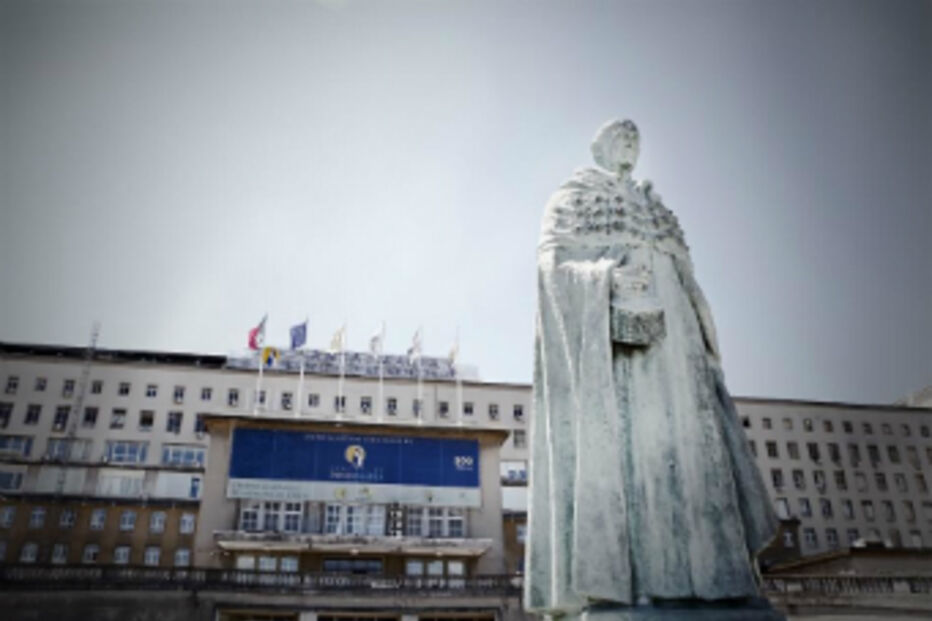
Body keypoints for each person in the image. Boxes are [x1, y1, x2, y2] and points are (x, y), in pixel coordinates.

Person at [525, 120, 778, 615]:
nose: (630, 144)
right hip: (621, 353)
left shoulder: (657, 205)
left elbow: (689, 279)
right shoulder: (572, 196)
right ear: (597, 145)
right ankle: (634, 582)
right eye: (620, 137)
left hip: (680, 355)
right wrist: (608, 280)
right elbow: (552, 267)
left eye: (636, 139)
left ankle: (719, 581)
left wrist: (702, 341)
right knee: (635, 460)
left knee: (693, 453)